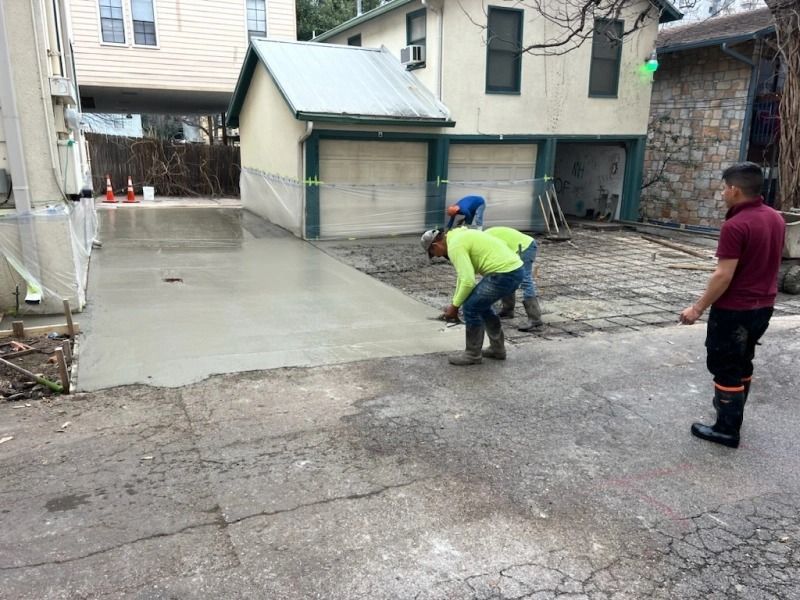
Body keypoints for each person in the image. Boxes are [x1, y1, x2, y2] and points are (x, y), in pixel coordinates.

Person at [679, 162, 785, 448]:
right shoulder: (775, 218)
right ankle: (734, 416)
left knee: (724, 364)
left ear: (735, 190)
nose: (723, 193)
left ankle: (726, 429)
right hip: (764, 306)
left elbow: (723, 275)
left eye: (725, 188)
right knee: (742, 360)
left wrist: (697, 308)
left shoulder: (736, 225)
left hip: (735, 309)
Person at [421, 227, 523, 365]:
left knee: (471, 307)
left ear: (435, 245)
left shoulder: (455, 245)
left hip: (504, 274)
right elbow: (462, 278)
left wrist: (455, 307)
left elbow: (468, 281)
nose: (437, 256)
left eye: (433, 253)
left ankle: (472, 354)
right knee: (482, 306)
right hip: (513, 270)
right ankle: (497, 349)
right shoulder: (457, 236)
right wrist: (454, 302)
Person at [485, 226, 544, 331]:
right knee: (507, 276)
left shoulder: (486, 240)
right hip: (517, 248)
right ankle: (508, 310)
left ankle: (535, 318)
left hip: (525, 248)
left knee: (525, 281)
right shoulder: (484, 237)